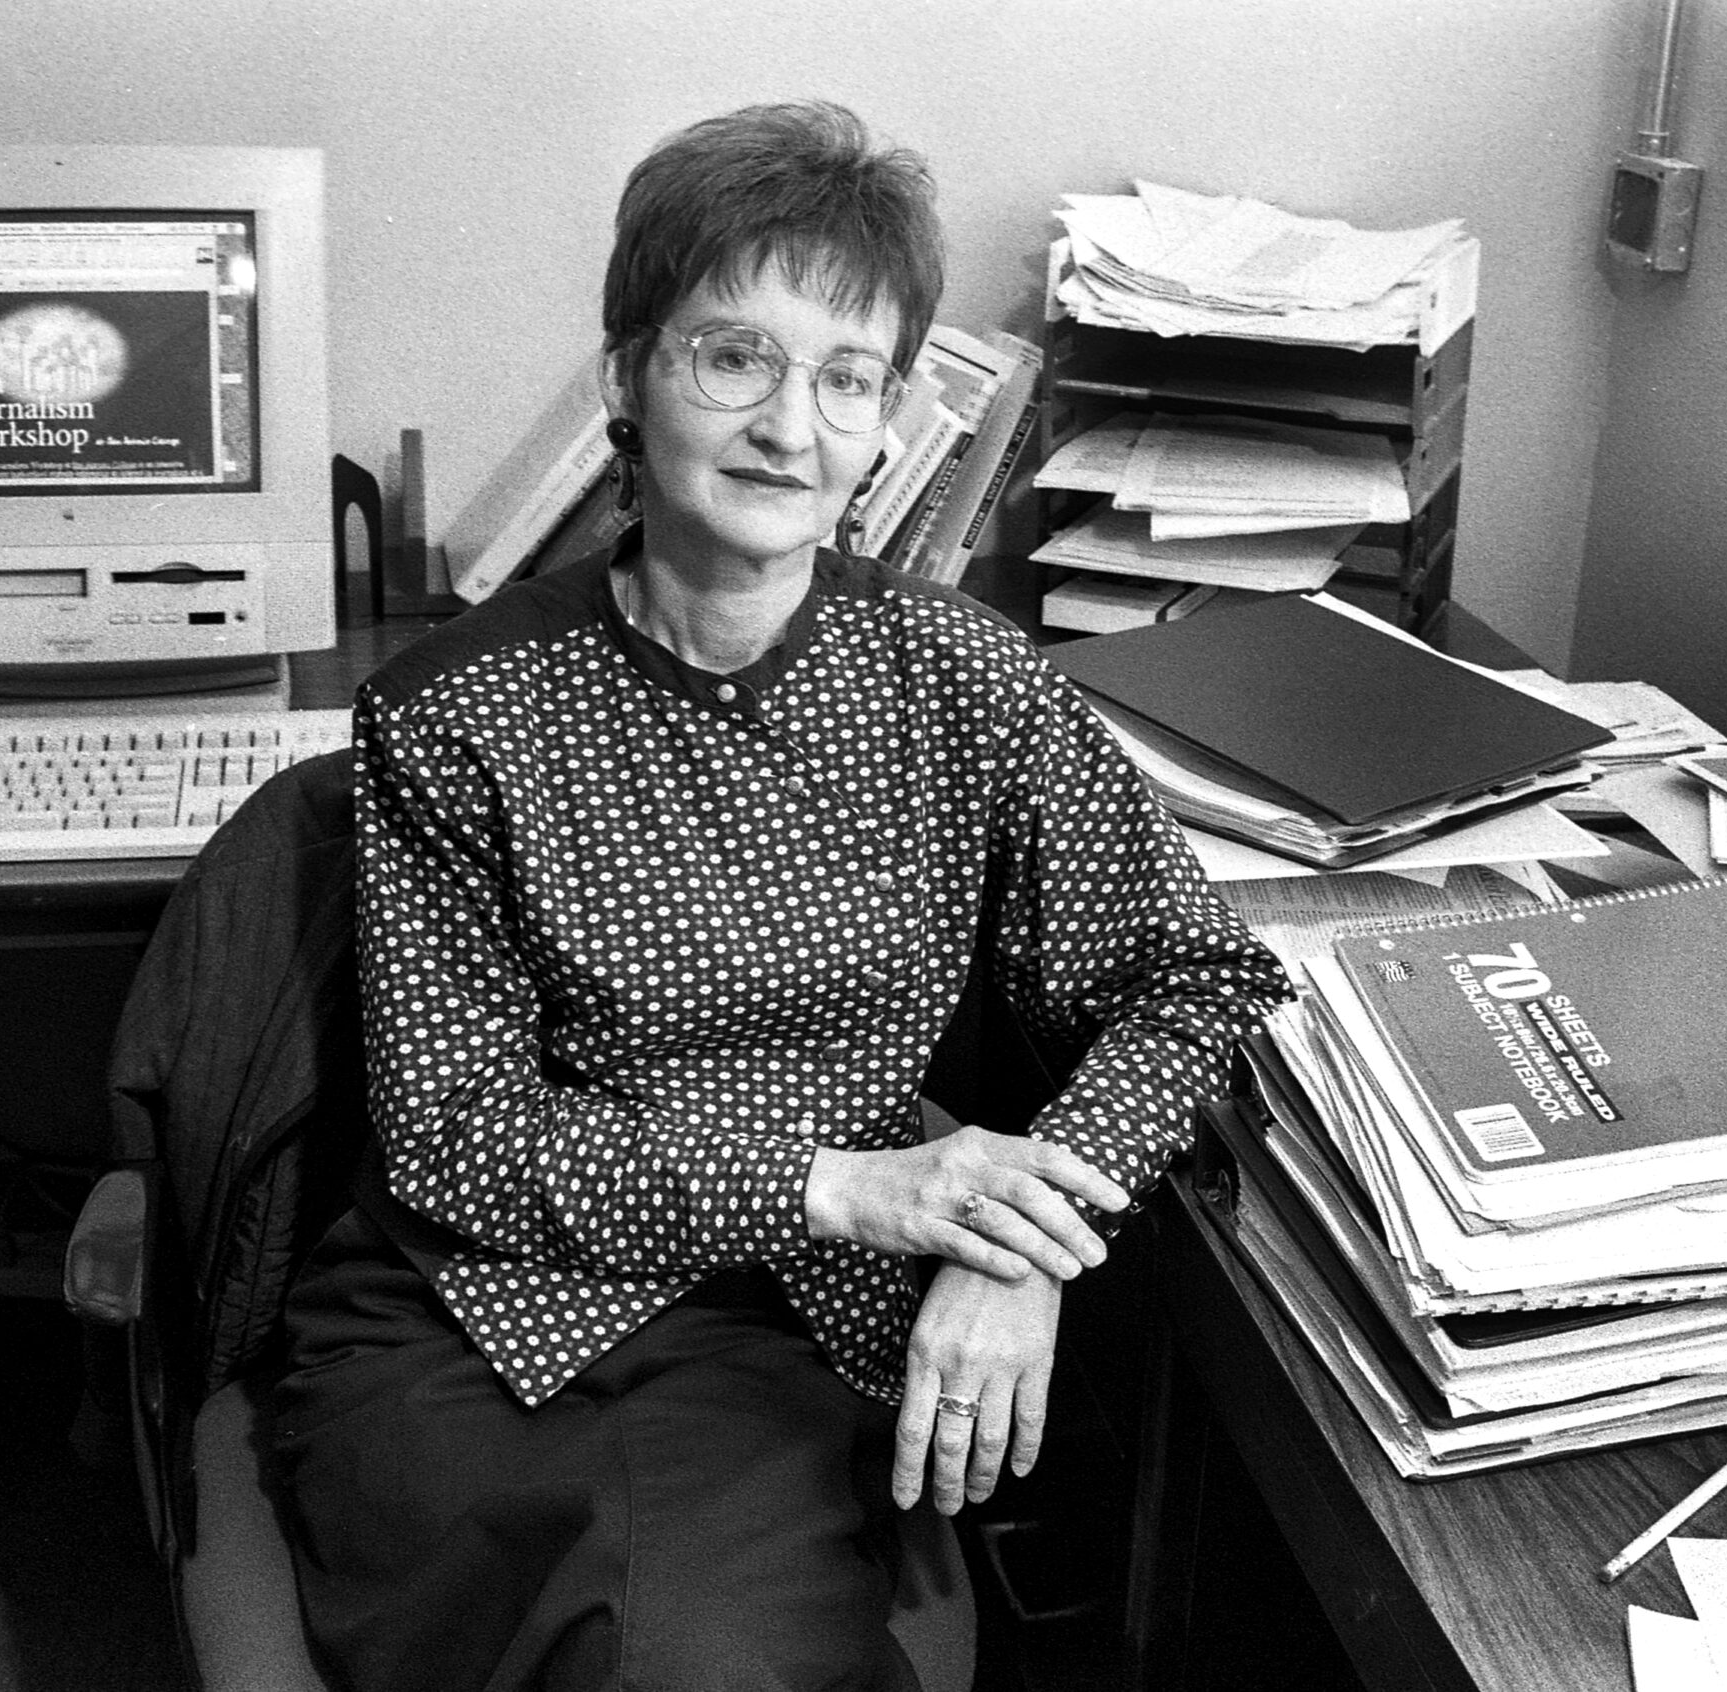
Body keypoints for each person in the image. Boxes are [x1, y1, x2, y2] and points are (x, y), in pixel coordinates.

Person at [271, 100, 1287, 1692]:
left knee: (708, 1654)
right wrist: (852, 1187)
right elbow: (460, 1140)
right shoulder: (456, 710)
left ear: (889, 421)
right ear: (626, 378)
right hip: (479, 1314)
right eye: (733, 357)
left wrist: (1023, 1238)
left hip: (791, 1332)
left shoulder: (960, 680)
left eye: (846, 377)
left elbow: (1198, 978)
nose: (788, 428)